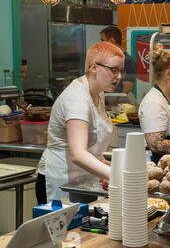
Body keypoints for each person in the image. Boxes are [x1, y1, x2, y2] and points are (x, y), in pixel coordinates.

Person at [35, 41, 125, 204]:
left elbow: (91, 146)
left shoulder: (99, 93)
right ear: (93, 67)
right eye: (113, 70)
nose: (118, 76)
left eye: (121, 71)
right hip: (61, 181)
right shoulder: (77, 98)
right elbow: (78, 154)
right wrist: (116, 175)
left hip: (83, 182)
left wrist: (109, 165)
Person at [100, 26, 137, 104]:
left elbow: (127, 89)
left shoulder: (127, 61)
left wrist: (112, 107)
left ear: (112, 40)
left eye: (103, 40)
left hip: (116, 110)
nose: (101, 44)